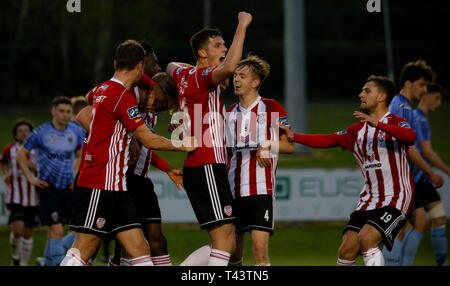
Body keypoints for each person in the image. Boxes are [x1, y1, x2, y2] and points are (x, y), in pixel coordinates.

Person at [60, 39, 195, 266]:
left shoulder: (103, 89)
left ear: (115, 63)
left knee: (140, 247)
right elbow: (149, 139)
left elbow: (89, 103)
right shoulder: (122, 96)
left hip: (117, 185)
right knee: (85, 249)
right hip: (100, 182)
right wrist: (183, 144)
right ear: (141, 65)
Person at [280, 75, 416, 266]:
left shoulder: (394, 121)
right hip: (369, 200)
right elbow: (328, 140)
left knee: (367, 238)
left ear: (381, 97)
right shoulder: (356, 131)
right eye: (362, 90)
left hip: (396, 198)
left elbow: (410, 137)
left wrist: (378, 124)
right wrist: (294, 136)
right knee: (346, 249)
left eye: (367, 90)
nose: (361, 94)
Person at [167, 11, 253, 266]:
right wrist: (242, 26)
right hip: (206, 164)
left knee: (227, 241)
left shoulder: (186, 76)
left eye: (225, 43)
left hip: (202, 166)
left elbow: (171, 65)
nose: (225, 47)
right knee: (225, 242)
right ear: (202, 53)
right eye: (218, 45)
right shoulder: (203, 77)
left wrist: (200, 74)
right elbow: (228, 67)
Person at [108, 71, 182, 266]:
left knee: (157, 240)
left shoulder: (151, 112)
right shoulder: (131, 103)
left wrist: (167, 168)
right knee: (124, 246)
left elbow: (145, 148)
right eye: (162, 104)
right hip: (123, 179)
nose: (161, 109)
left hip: (142, 181)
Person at [226, 55, 294, 266]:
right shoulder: (228, 114)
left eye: (242, 76)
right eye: (235, 75)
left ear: (255, 82)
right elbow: (225, 153)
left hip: (261, 188)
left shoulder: (271, 107)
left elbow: (289, 146)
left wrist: (266, 144)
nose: (236, 79)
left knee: (259, 248)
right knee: (233, 253)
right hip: (232, 189)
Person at [383, 59, 444, 265]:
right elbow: (408, 147)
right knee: (401, 227)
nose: (424, 89)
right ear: (408, 83)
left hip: (402, 177)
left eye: (426, 85)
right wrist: (430, 171)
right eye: (422, 84)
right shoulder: (401, 107)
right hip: (396, 177)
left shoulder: (404, 106)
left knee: (415, 223)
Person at [17, 96, 84, 266]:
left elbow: (80, 152)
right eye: (61, 111)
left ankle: (46, 261)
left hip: (68, 187)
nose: (65, 115)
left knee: (78, 231)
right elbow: (21, 155)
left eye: (68, 112)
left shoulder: (76, 131)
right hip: (48, 187)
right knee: (57, 230)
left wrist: (75, 173)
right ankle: (57, 263)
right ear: (53, 112)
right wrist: (31, 178)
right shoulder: (41, 132)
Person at [400, 83, 449, 266]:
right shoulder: (418, 118)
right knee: (414, 225)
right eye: (437, 98)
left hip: (423, 180)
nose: (438, 103)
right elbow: (427, 152)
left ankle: (441, 262)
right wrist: (446, 170)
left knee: (438, 217)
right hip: (415, 180)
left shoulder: (419, 118)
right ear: (426, 96)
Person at [0, 119, 39, 266]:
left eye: (26, 131)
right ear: (15, 135)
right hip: (15, 197)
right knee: (17, 230)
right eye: (20, 131)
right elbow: (1, 162)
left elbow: (45, 169)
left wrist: (30, 165)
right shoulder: (9, 150)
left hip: (34, 198)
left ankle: (23, 263)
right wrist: (4, 175)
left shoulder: (38, 150)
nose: (24, 133)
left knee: (28, 233)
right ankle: (15, 257)